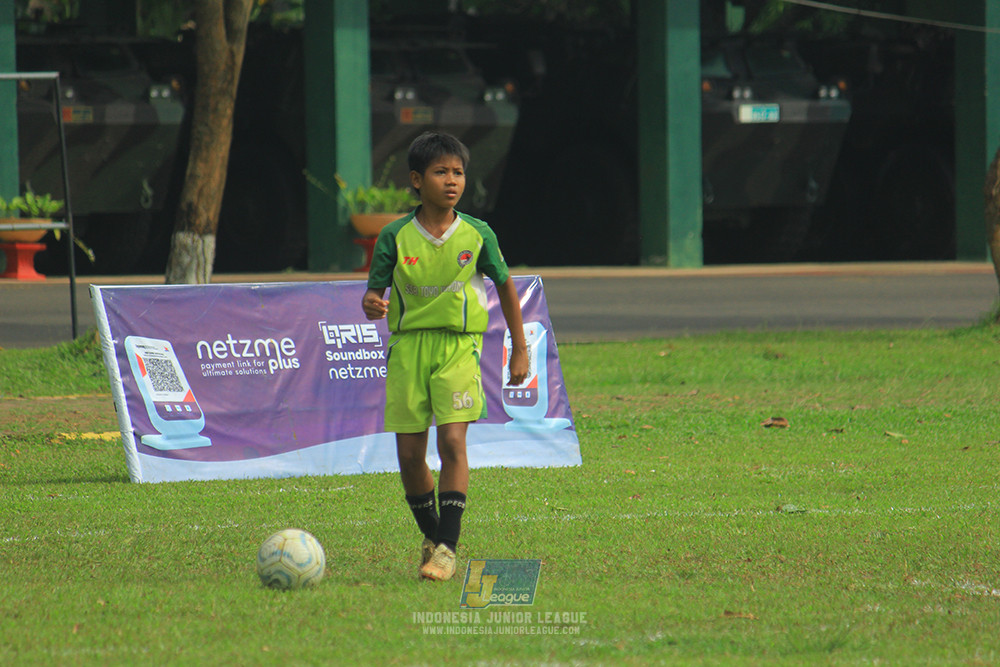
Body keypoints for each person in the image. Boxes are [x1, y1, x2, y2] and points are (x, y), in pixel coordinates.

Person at [362, 131, 529, 582]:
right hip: (408, 349)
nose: (451, 180)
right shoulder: (394, 236)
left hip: (459, 347)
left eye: (458, 172)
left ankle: (448, 549)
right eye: (440, 172)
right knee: (410, 456)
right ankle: (433, 536)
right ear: (417, 180)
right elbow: (372, 296)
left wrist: (520, 349)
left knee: (452, 443)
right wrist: (371, 304)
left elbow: (506, 286)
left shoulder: (478, 234)